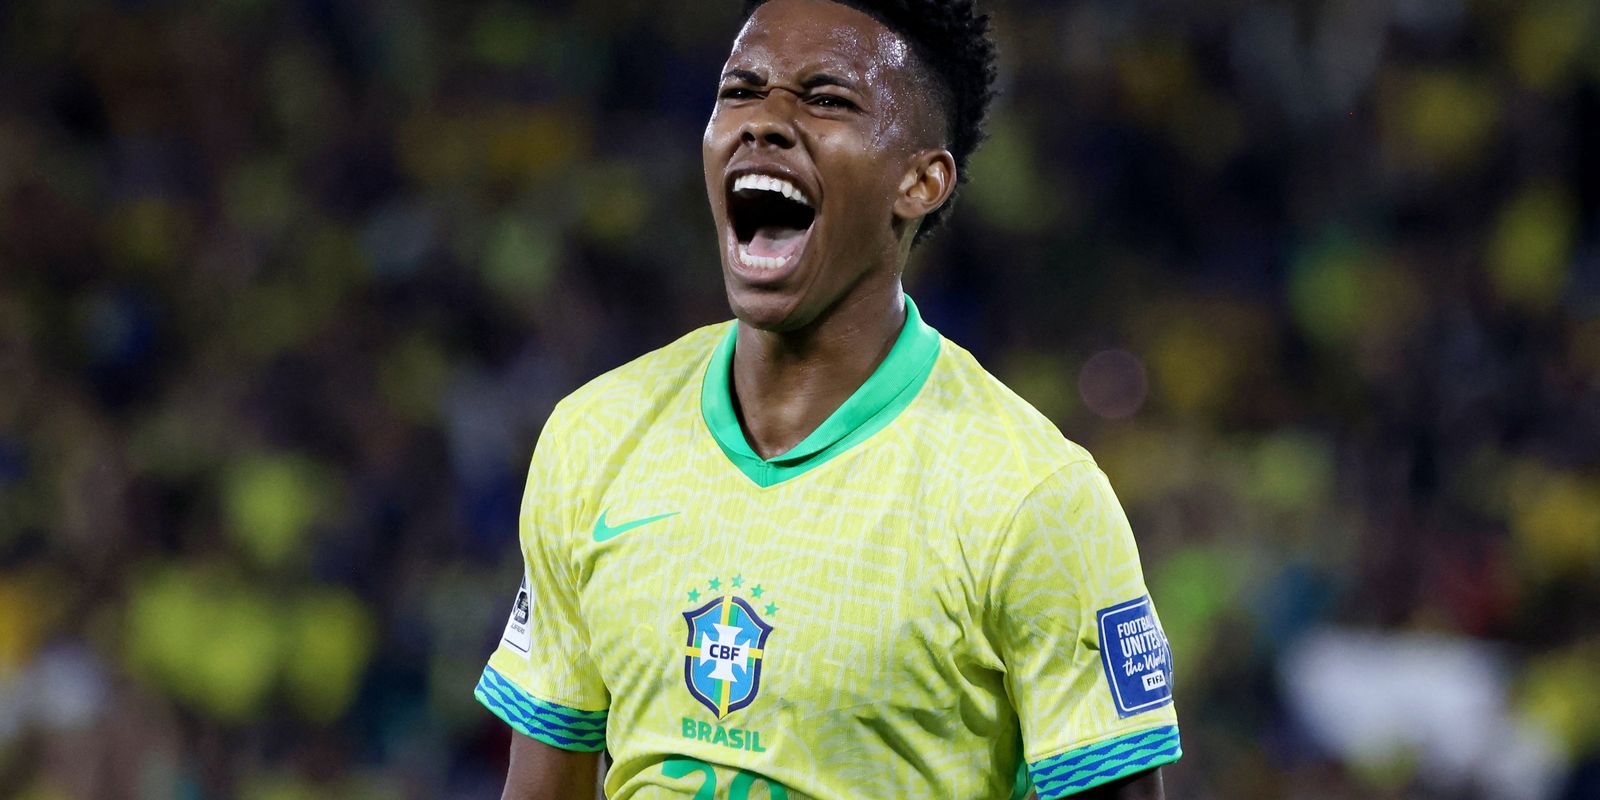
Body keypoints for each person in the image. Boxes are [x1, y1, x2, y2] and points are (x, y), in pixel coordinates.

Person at [474, 0, 1180, 797]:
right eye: (741, 90)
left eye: (826, 99)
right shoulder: (595, 436)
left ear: (920, 181)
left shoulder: (1031, 496)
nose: (765, 122)